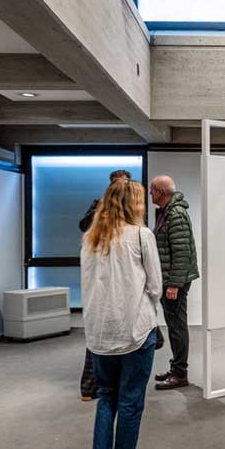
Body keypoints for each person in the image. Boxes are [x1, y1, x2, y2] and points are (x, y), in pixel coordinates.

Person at [81, 179, 161, 449]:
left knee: (106, 398)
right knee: (130, 403)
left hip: (99, 334)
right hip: (135, 332)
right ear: (133, 204)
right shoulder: (141, 235)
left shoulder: (90, 238)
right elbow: (155, 285)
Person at [79, 169, 133, 401]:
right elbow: (84, 227)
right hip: (102, 281)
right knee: (99, 338)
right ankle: (91, 387)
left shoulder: (131, 213)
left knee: (123, 339)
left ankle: (114, 385)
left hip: (121, 280)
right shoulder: (98, 209)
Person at [150, 175, 200, 390]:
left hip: (174, 281)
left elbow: (182, 252)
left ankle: (180, 373)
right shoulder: (166, 212)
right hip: (170, 278)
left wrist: (174, 284)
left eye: (152, 190)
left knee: (177, 327)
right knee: (173, 326)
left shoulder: (175, 214)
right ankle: (176, 368)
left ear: (161, 192)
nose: (150, 193)